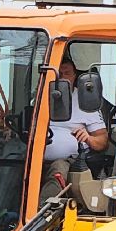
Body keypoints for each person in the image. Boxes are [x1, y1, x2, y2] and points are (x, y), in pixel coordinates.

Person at [41, 56, 107, 198]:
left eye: (67, 73)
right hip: (33, 156)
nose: (62, 78)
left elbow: (102, 142)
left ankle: (39, 214)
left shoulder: (86, 103)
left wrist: (88, 138)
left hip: (68, 159)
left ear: (75, 76)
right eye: (58, 73)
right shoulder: (41, 98)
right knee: (9, 162)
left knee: (58, 169)